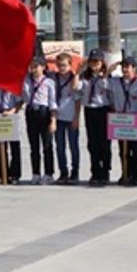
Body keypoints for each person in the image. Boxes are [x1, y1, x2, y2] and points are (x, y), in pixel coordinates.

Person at [109, 56, 137, 186]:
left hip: (134, 117)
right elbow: (104, 83)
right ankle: (125, 172)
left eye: (128, 67)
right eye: (123, 67)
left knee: (135, 149)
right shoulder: (115, 82)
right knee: (122, 149)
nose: (125, 69)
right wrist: (110, 69)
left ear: (134, 68)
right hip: (120, 118)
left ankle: (135, 174)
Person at [23, 56, 58, 185]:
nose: (33, 69)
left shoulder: (49, 82)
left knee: (47, 145)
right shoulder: (26, 81)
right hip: (31, 112)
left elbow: (52, 102)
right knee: (34, 145)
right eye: (32, 66)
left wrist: (53, 120)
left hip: (44, 112)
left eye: (36, 66)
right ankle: (35, 173)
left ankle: (49, 173)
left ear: (43, 67)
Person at [81, 49, 113, 186]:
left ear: (102, 63)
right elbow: (77, 88)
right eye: (91, 61)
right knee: (92, 143)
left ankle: (105, 171)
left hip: (103, 110)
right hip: (90, 110)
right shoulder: (85, 77)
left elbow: (110, 92)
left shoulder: (108, 78)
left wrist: (104, 76)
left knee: (104, 143)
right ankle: (95, 171)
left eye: (97, 61)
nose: (94, 64)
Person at [50, 53, 82, 185]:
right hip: (58, 117)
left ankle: (75, 172)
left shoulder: (74, 78)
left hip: (71, 117)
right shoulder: (53, 78)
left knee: (73, 146)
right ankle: (63, 172)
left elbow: (78, 100)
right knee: (60, 146)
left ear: (70, 65)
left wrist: (77, 118)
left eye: (64, 65)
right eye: (59, 65)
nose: (61, 68)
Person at [0, 85, 23, 184]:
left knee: (15, 147)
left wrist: (12, 111)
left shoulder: (11, 84)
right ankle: (3, 174)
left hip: (10, 114)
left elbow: (19, 101)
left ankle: (15, 175)